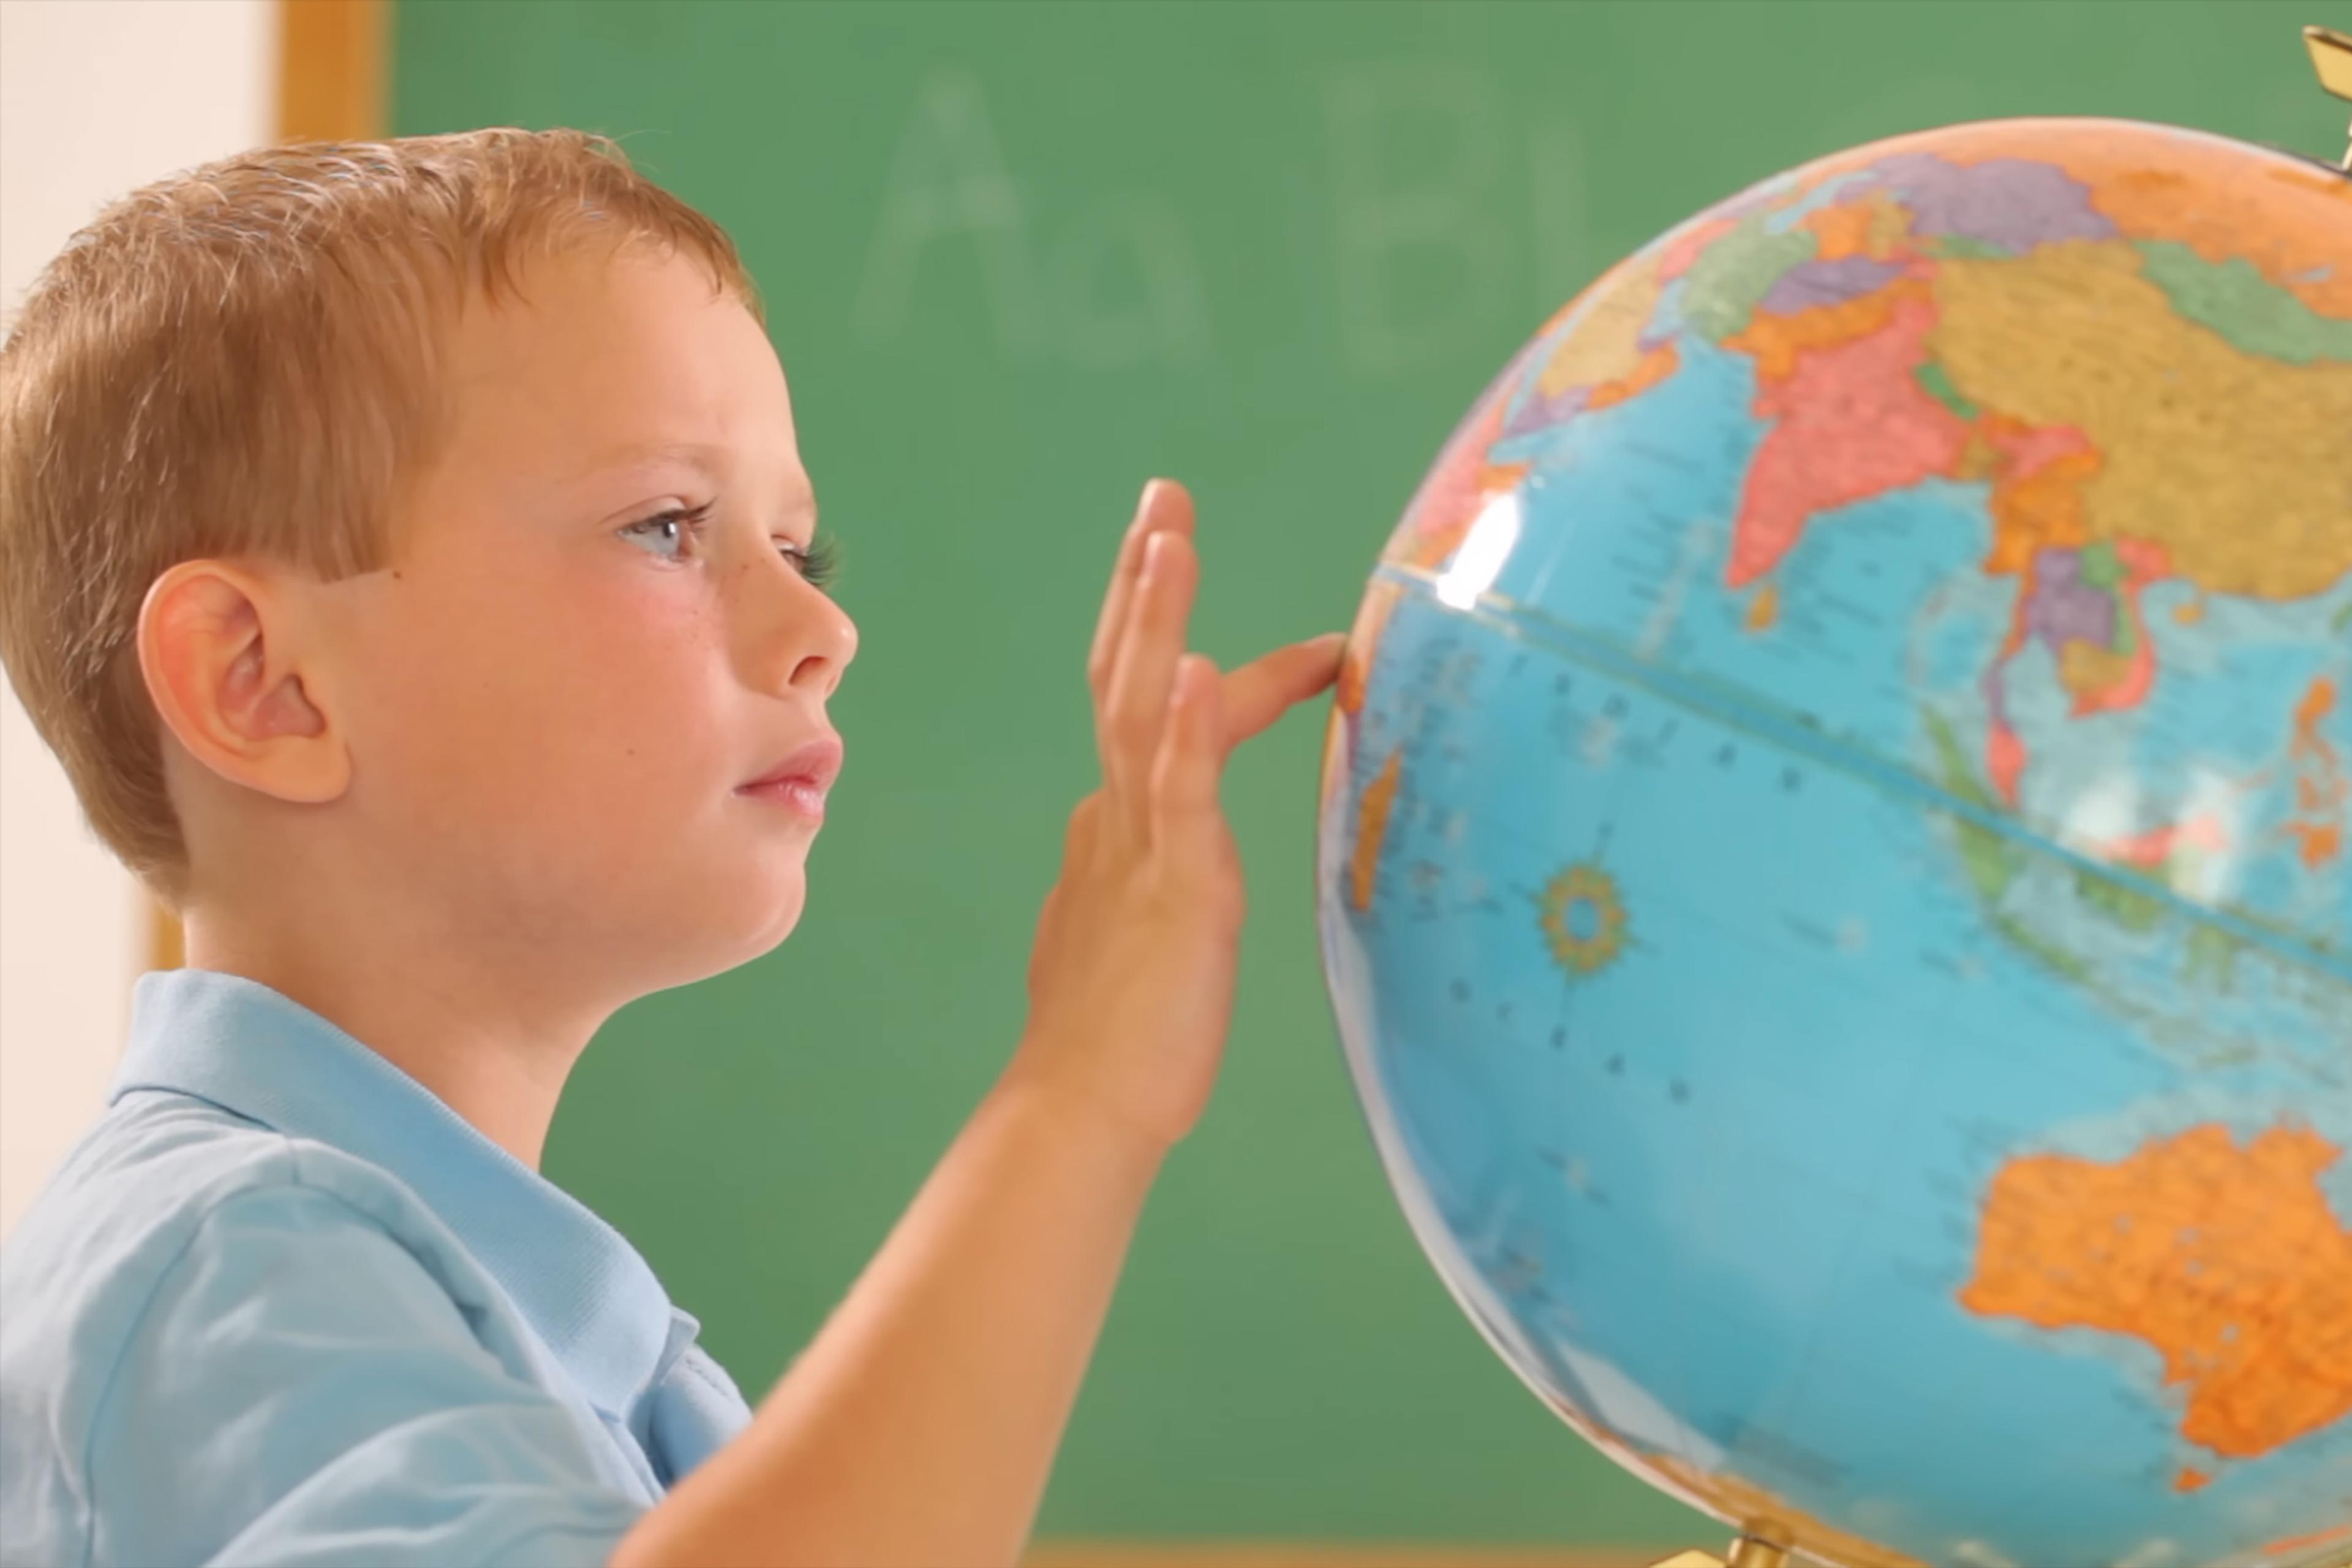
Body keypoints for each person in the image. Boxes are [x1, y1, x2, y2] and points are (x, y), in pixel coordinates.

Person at [0, 128, 1342, 1567]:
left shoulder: (612, 1372)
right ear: (263, 681)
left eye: (797, 548)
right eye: (667, 525)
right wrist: (1081, 1092)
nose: (824, 630)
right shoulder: (219, 1260)